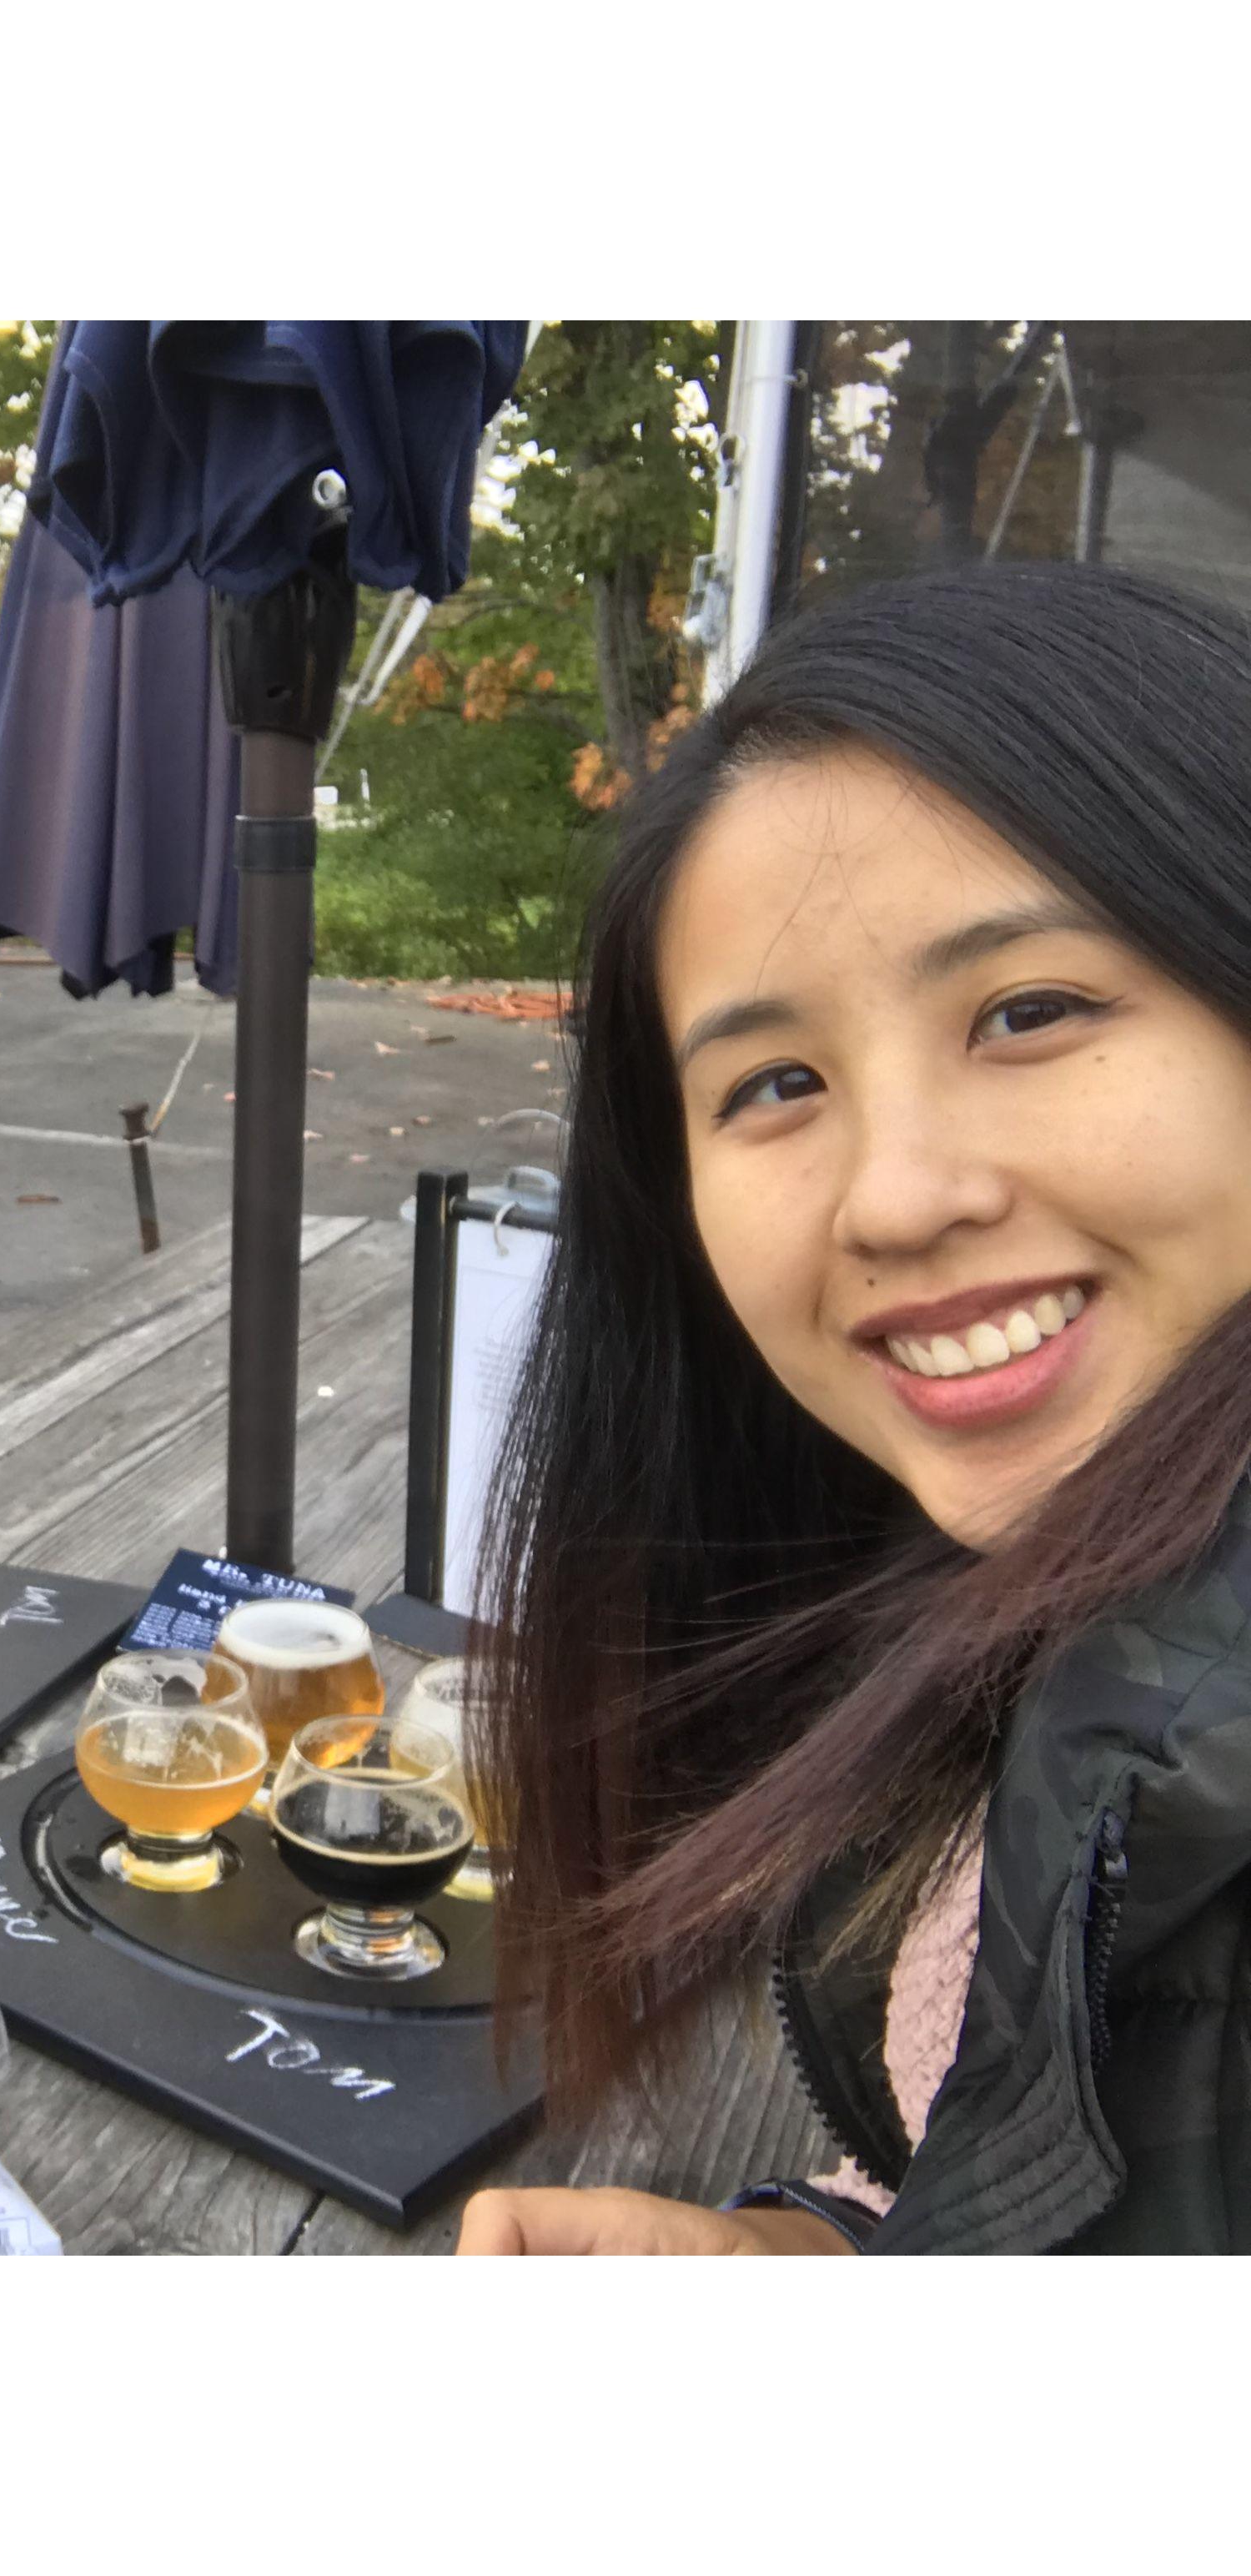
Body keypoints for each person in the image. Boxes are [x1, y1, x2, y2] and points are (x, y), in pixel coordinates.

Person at [455, 562, 1251, 2255]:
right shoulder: (981, 1586)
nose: (891, 1197)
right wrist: (811, 2257)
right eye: (775, 1084)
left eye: (1027, 1010)